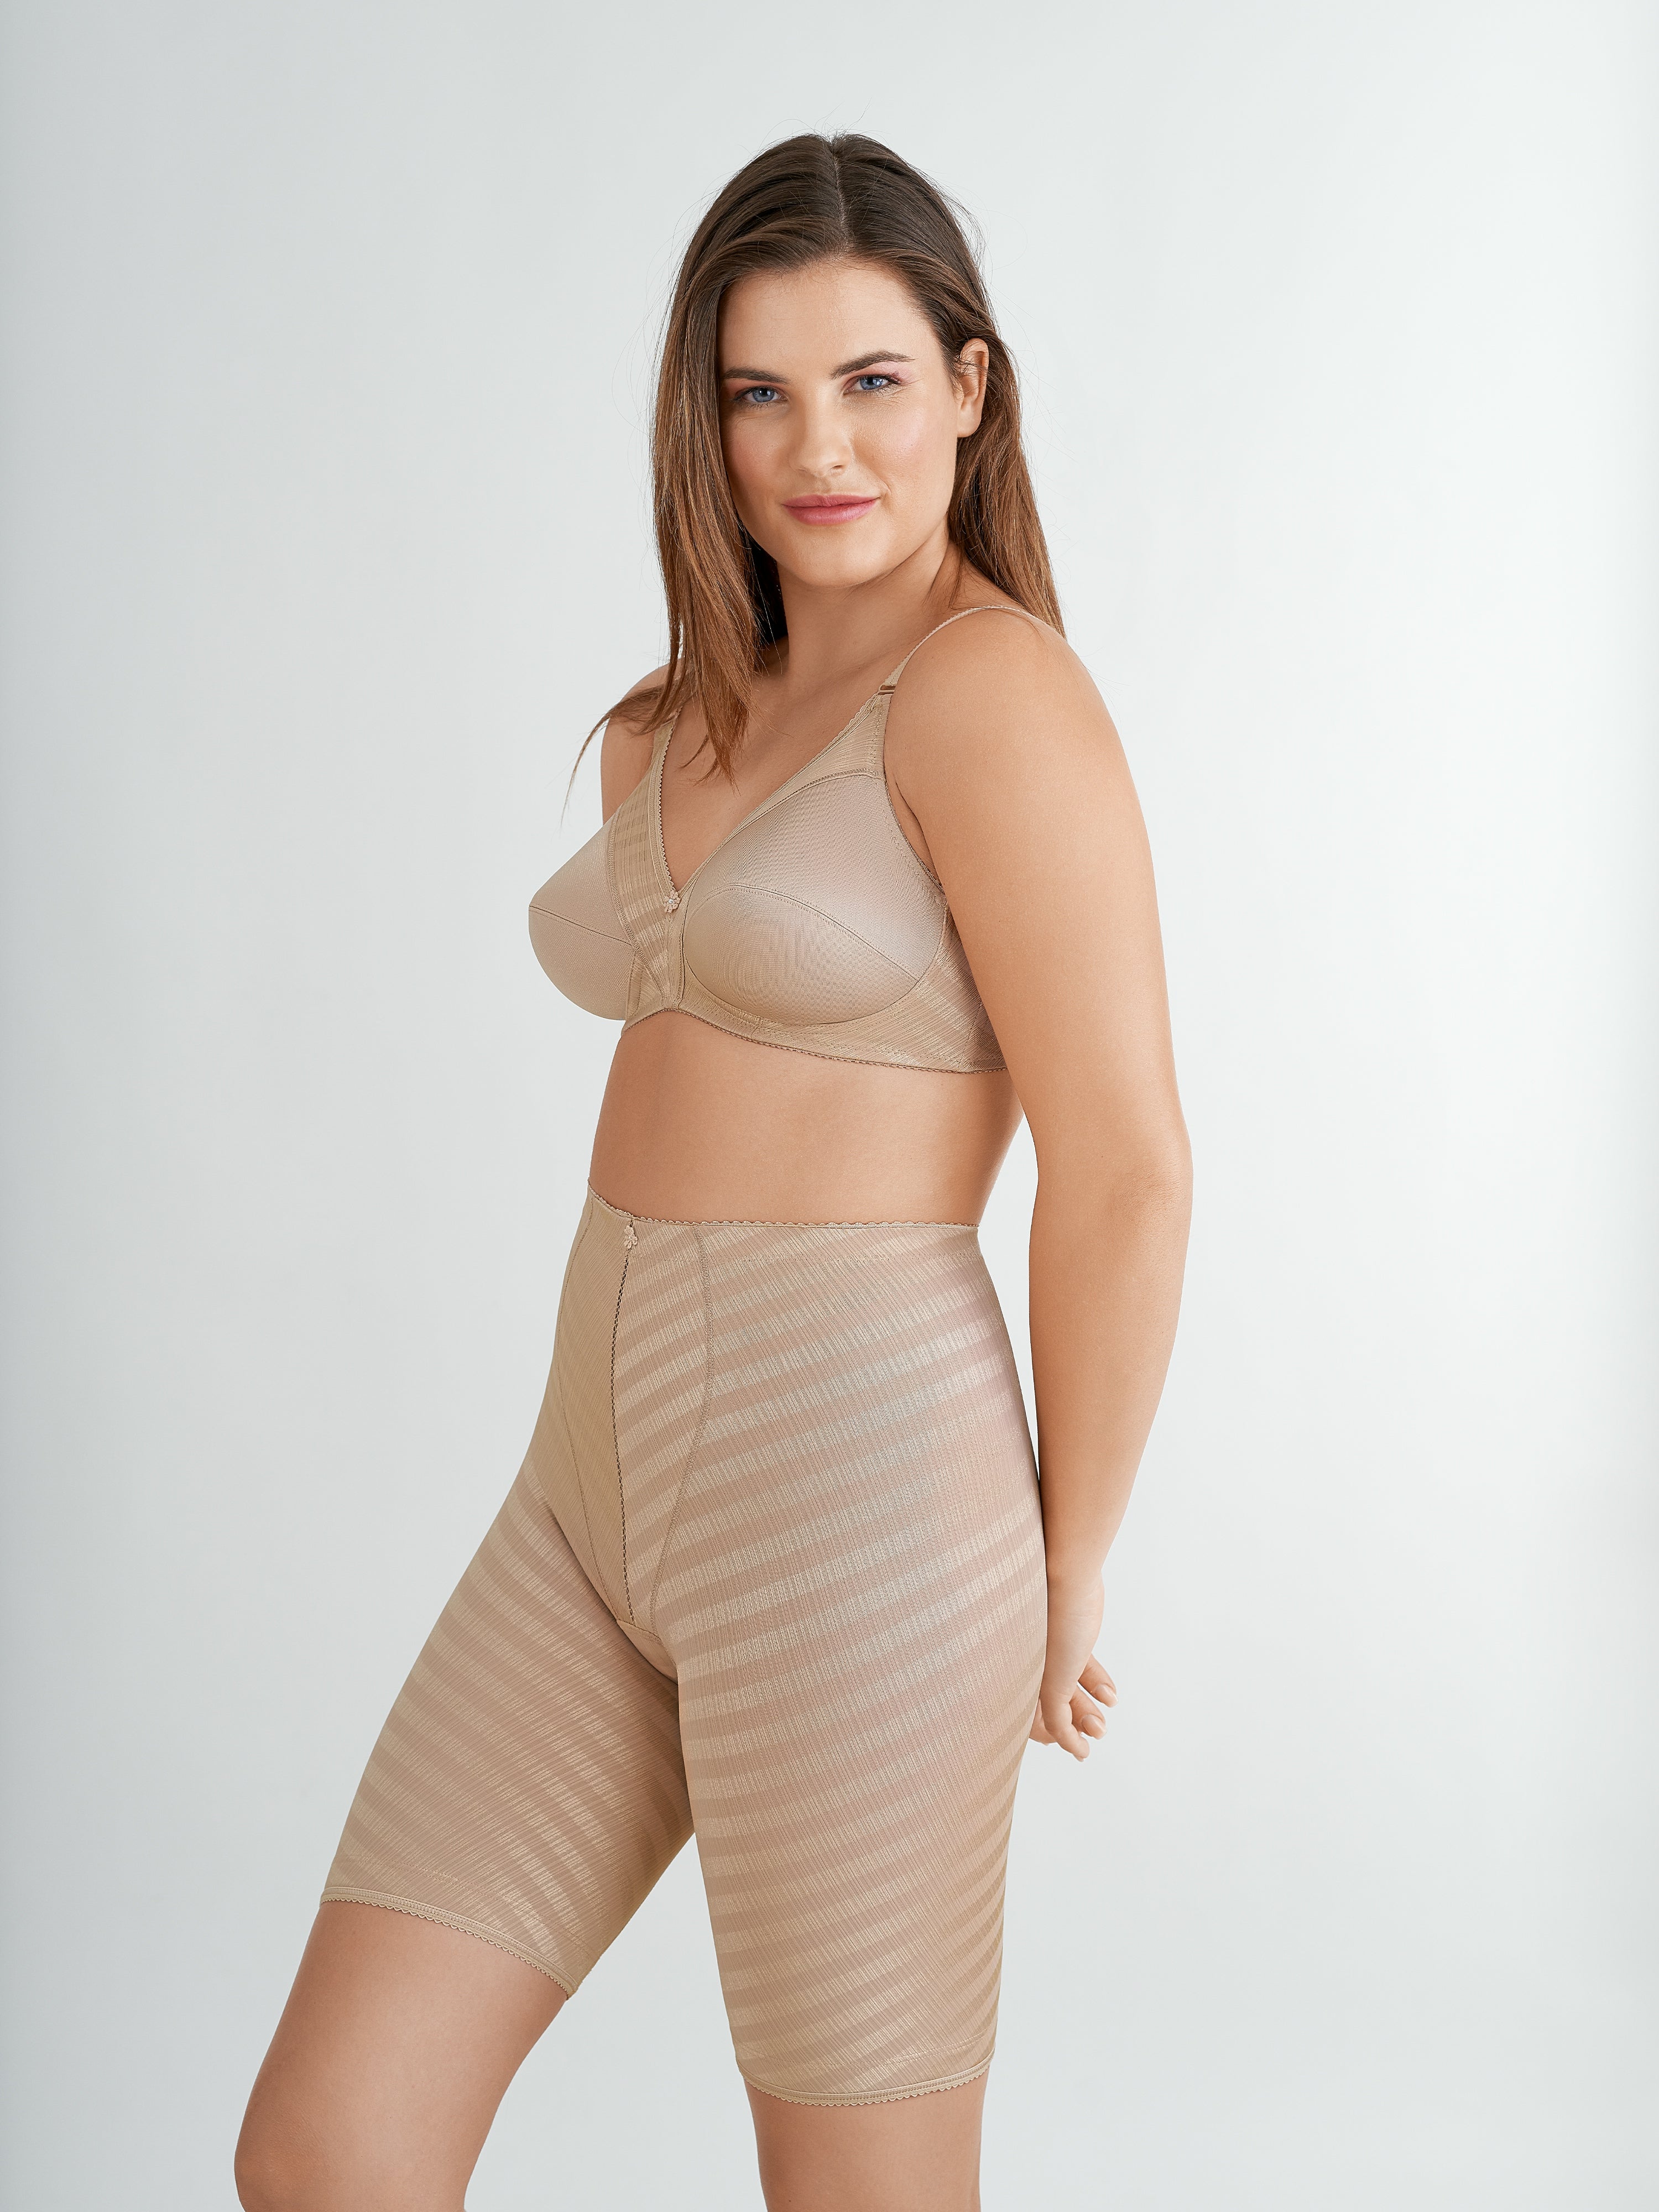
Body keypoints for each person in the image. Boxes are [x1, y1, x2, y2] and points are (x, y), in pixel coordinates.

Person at [236, 131, 1191, 2212]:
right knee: (328, 2149)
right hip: (587, 1497)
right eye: (760, 391)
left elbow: (1126, 1166)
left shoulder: (993, 698)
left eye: (872, 380)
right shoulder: (675, 710)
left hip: (859, 1520)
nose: (817, 447)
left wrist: (1074, 1557)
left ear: (971, 389)